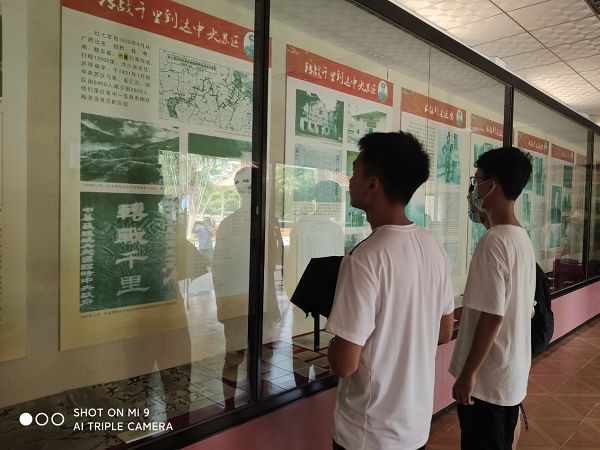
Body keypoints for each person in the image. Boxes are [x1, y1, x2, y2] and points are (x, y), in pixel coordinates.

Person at [326, 131, 455, 450]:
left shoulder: (365, 258)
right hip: (415, 429)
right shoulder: (434, 247)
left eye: (354, 172)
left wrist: (334, 344)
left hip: (368, 434)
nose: (349, 180)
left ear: (372, 185)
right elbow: (444, 332)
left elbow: (344, 364)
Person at [450, 147, 535, 450]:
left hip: (485, 381)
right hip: (509, 376)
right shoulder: (520, 237)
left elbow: (492, 316)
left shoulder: (493, 242)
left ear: (492, 185)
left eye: (477, 180)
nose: (474, 188)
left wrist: (468, 373)